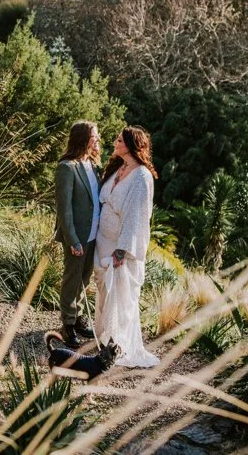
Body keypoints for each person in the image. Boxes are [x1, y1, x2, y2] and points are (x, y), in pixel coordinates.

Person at [94, 126, 160, 368]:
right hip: (103, 241)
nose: (115, 142)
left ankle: (118, 344)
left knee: (120, 295)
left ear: (132, 145)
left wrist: (122, 249)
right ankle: (105, 338)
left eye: (120, 140)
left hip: (121, 248)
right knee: (104, 292)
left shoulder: (142, 176)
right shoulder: (118, 169)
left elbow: (136, 216)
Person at [54, 120, 102, 348]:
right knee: (72, 280)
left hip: (93, 234)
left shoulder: (92, 164)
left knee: (84, 279)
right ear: (83, 138)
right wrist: (72, 239)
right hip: (77, 235)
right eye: (95, 136)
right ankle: (68, 324)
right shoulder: (67, 167)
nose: (98, 139)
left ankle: (79, 317)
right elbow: (64, 209)